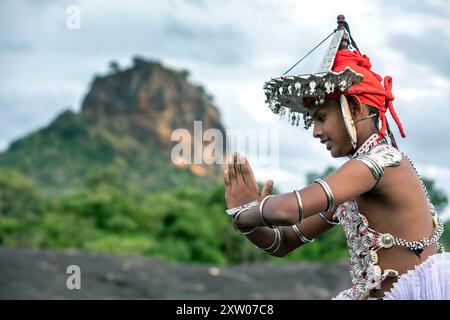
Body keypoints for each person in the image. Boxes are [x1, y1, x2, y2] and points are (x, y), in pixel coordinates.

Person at [223, 16, 449, 300]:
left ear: (353, 108)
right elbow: (283, 241)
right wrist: (248, 221)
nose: (316, 132)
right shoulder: (357, 178)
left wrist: (246, 213)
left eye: (321, 118)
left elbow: (285, 211)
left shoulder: (381, 162)